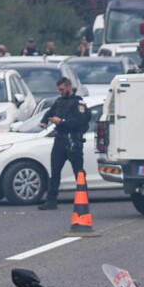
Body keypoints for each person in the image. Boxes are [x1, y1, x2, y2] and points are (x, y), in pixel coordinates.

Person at [37, 77, 89, 210]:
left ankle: (83, 198)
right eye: (58, 90)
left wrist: (61, 122)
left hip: (73, 141)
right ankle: (51, 200)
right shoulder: (59, 101)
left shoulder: (79, 103)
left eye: (62, 89)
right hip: (60, 140)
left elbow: (79, 122)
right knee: (55, 172)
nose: (60, 92)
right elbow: (49, 112)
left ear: (69, 87)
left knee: (78, 172)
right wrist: (44, 121)